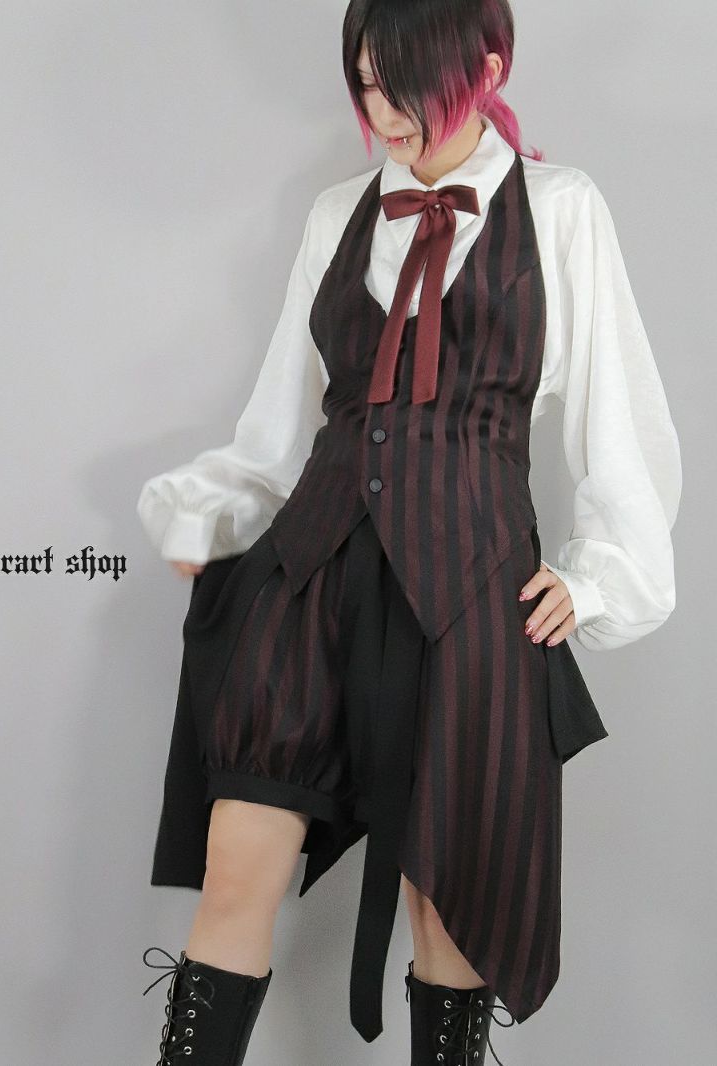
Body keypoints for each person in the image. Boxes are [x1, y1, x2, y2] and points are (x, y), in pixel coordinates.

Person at [136, 2, 682, 1063]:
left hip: (470, 585)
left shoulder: (560, 208)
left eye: (405, 84)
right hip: (312, 573)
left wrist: (602, 574)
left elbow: (619, 411)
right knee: (237, 860)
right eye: (365, 82)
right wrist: (206, 517)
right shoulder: (336, 214)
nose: (382, 111)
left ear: (488, 68)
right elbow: (278, 426)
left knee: (451, 904)